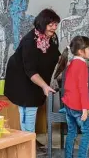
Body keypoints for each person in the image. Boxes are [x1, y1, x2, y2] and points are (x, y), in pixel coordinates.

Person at [4, 8, 61, 149]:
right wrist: (44, 86)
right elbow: (30, 71)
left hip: (33, 79)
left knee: (28, 109)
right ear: (42, 24)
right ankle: (28, 141)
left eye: (56, 24)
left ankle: (27, 139)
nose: (54, 27)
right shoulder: (30, 41)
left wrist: (68, 62)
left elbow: (56, 55)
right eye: (51, 24)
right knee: (27, 109)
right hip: (20, 79)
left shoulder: (49, 39)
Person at [61, 36, 89, 158]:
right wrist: (86, 109)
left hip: (68, 105)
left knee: (71, 132)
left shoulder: (71, 63)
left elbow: (69, 86)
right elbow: (83, 88)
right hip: (78, 106)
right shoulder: (82, 65)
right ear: (81, 51)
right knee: (87, 133)